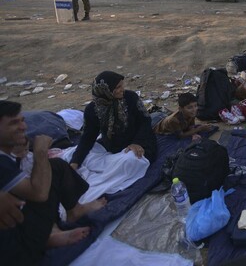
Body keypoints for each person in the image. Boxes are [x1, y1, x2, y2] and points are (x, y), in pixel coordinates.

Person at [0, 100, 105, 265]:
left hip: (15, 234)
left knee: (53, 168)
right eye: (14, 123)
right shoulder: (2, 162)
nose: (23, 127)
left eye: (22, 120)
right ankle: (45, 236)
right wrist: (41, 152)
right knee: (50, 170)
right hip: (15, 252)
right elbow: (39, 193)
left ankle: (66, 217)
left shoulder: (7, 156)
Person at [64, 71, 157, 204]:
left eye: (122, 86)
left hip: (141, 142)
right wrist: (75, 162)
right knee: (73, 153)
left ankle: (106, 175)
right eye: (118, 87)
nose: (122, 90)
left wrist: (137, 142)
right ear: (105, 91)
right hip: (112, 147)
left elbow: (145, 122)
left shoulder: (130, 98)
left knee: (131, 159)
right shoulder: (93, 109)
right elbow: (87, 138)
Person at [152, 93, 216, 140]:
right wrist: (199, 129)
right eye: (189, 107)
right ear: (180, 109)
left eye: (195, 106)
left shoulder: (191, 113)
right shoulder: (174, 120)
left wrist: (194, 134)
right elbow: (181, 135)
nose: (194, 109)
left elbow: (191, 125)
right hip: (163, 131)